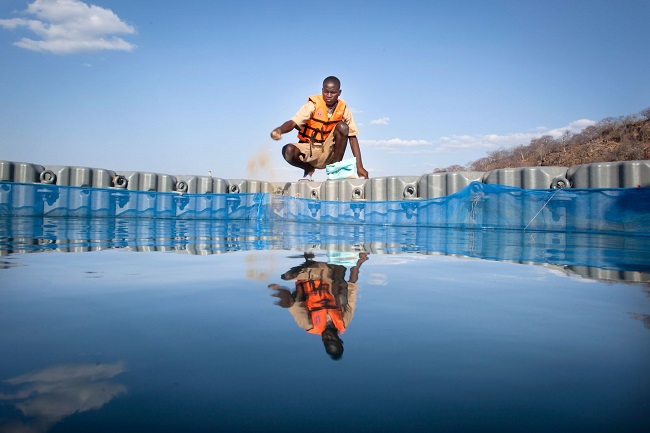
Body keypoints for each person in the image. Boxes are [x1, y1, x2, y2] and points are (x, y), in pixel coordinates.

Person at [268, 251, 368, 360]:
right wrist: (360, 262)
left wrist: (285, 297)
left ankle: (307, 262)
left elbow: (293, 304)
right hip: (330, 274)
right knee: (342, 300)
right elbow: (351, 288)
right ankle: (315, 262)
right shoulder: (344, 321)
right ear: (340, 340)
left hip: (307, 276)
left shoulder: (308, 325)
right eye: (332, 339)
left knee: (286, 276)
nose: (328, 337)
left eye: (326, 341)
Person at [270, 76, 369, 181]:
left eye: (333, 93)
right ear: (322, 90)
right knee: (288, 150)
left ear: (339, 92)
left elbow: (352, 137)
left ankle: (334, 170)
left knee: (343, 127)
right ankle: (308, 170)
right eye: (326, 92)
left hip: (328, 152)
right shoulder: (312, 105)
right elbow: (293, 122)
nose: (329, 96)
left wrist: (359, 166)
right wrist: (279, 130)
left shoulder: (343, 108)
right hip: (311, 150)